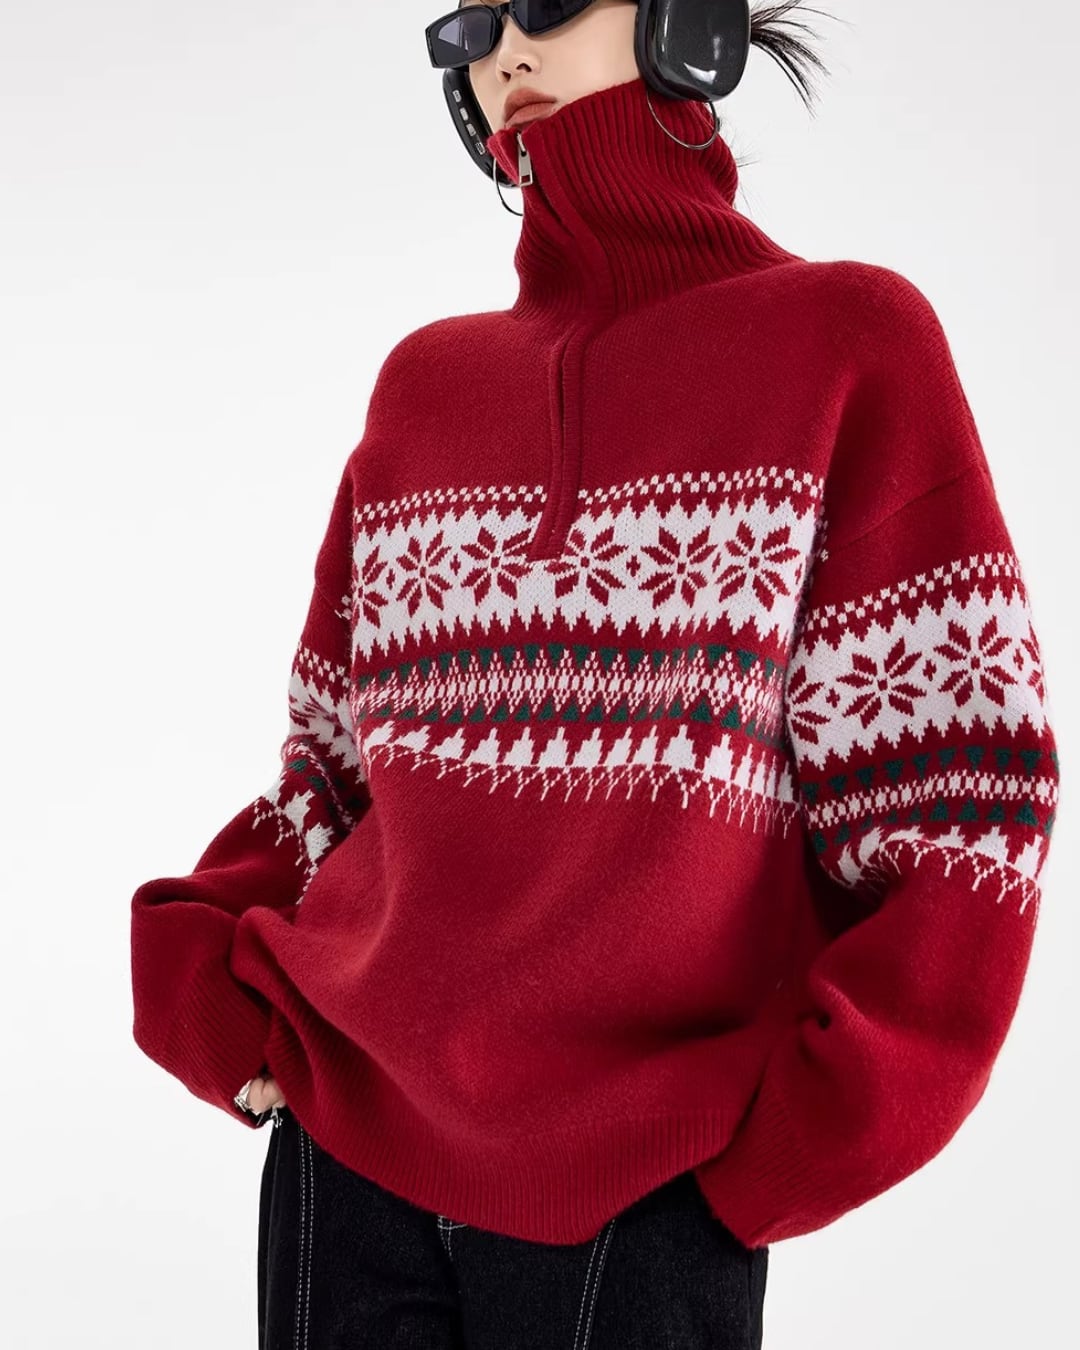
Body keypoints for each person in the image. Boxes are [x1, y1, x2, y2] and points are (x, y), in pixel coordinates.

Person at [128, 3, 1061, 1347]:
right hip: (346, 1161)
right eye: (473, 22)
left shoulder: (846, 341)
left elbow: (962, 805)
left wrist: (782, 1154)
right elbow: (333, 772)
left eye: (550, 1)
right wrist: (209, 982)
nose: (506, 52)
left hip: (643, 1194)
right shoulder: (425, 385)